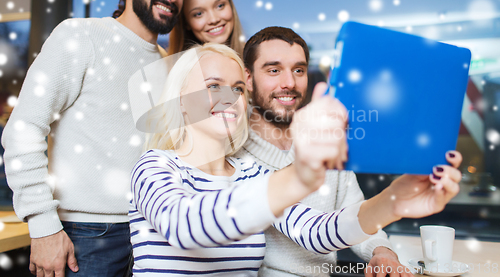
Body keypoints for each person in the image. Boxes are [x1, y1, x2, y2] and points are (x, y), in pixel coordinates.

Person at [129, 42, 462, 276]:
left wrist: (394, 200)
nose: (229, 98)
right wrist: (300, 175)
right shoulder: (155, 165)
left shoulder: (251, 174)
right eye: (213, 86)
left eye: (238, 89)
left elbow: (318, 232)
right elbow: (185, 226)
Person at [1, 0, 188, 276]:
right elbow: (25, 127)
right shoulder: (81, 36)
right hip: (85, 237)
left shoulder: (167, 66)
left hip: (153, 236)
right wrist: (42, 224)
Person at [234, 26, 459, 277]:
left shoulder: (331, 142)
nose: (289, 83)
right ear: (249, 78)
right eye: (274, 70)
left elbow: (355, 214)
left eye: (299, 70)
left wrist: (382, 252)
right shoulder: (232, 152)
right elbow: (317, 232)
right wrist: (393, 201)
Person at [168, 0, 245, 55]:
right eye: (199, 14)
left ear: (230, 5)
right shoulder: (181, 68)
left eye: (220, 6)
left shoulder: (255, 60)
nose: (214, 19)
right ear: (186, 23)